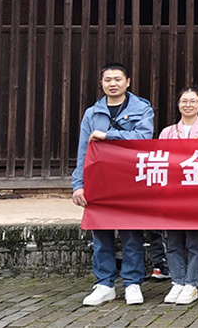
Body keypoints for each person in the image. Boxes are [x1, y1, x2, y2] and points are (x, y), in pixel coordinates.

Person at [73, 62, 155, 306]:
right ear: (101, 83)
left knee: (131, 233)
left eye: (117, 79)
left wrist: (109, 135)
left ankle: (132, 283)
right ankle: (104, 284)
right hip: (99, 181)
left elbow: (144, 138)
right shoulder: (92, 113)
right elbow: (83, 151)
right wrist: (78, 184)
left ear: (127, 82)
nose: (112, 84)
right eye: (108, 80)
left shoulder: (142, 109)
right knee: (101, 233)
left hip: (130, 180)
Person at [158, 87, 198, 305]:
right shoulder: (167, 132)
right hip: (172, 194)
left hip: (197, 194)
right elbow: (161, 160)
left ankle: (192, 283)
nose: (188, 105)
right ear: (178, 104)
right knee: (173, 240)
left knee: (194, 242)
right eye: (184, 101)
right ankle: (177, 281)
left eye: (193, 101)